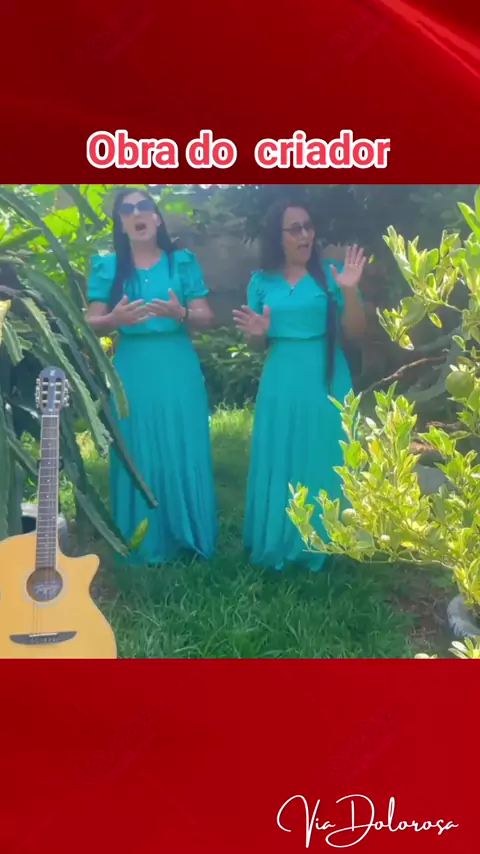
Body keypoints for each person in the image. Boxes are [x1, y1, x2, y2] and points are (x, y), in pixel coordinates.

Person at [85, 187, 217, 565]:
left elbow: (207, 317)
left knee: (182, 441)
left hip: (177, 363)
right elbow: (90, 322)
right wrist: (113, 319)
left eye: (144, 206)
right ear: (121, 223)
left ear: (157, 218)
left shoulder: (181, 262)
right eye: (127, 209)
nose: (136, 213)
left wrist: (182, 314)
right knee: (137, 444)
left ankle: (189, 533)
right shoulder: (108, 267)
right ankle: (143, 538)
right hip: (132, 367)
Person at [233, 199, 366, 571]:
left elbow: (356, 332)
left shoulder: (332, 275)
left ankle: (328, 542)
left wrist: (350, 291)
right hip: (281, 375)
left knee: (326, 452)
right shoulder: (261, 281)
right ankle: (279, 537)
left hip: (325, 375)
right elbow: (255, 343)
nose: (305, 234)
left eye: (308, 226)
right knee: (282, 452)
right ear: (277, 236)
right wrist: (257, 333)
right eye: (295, 229)